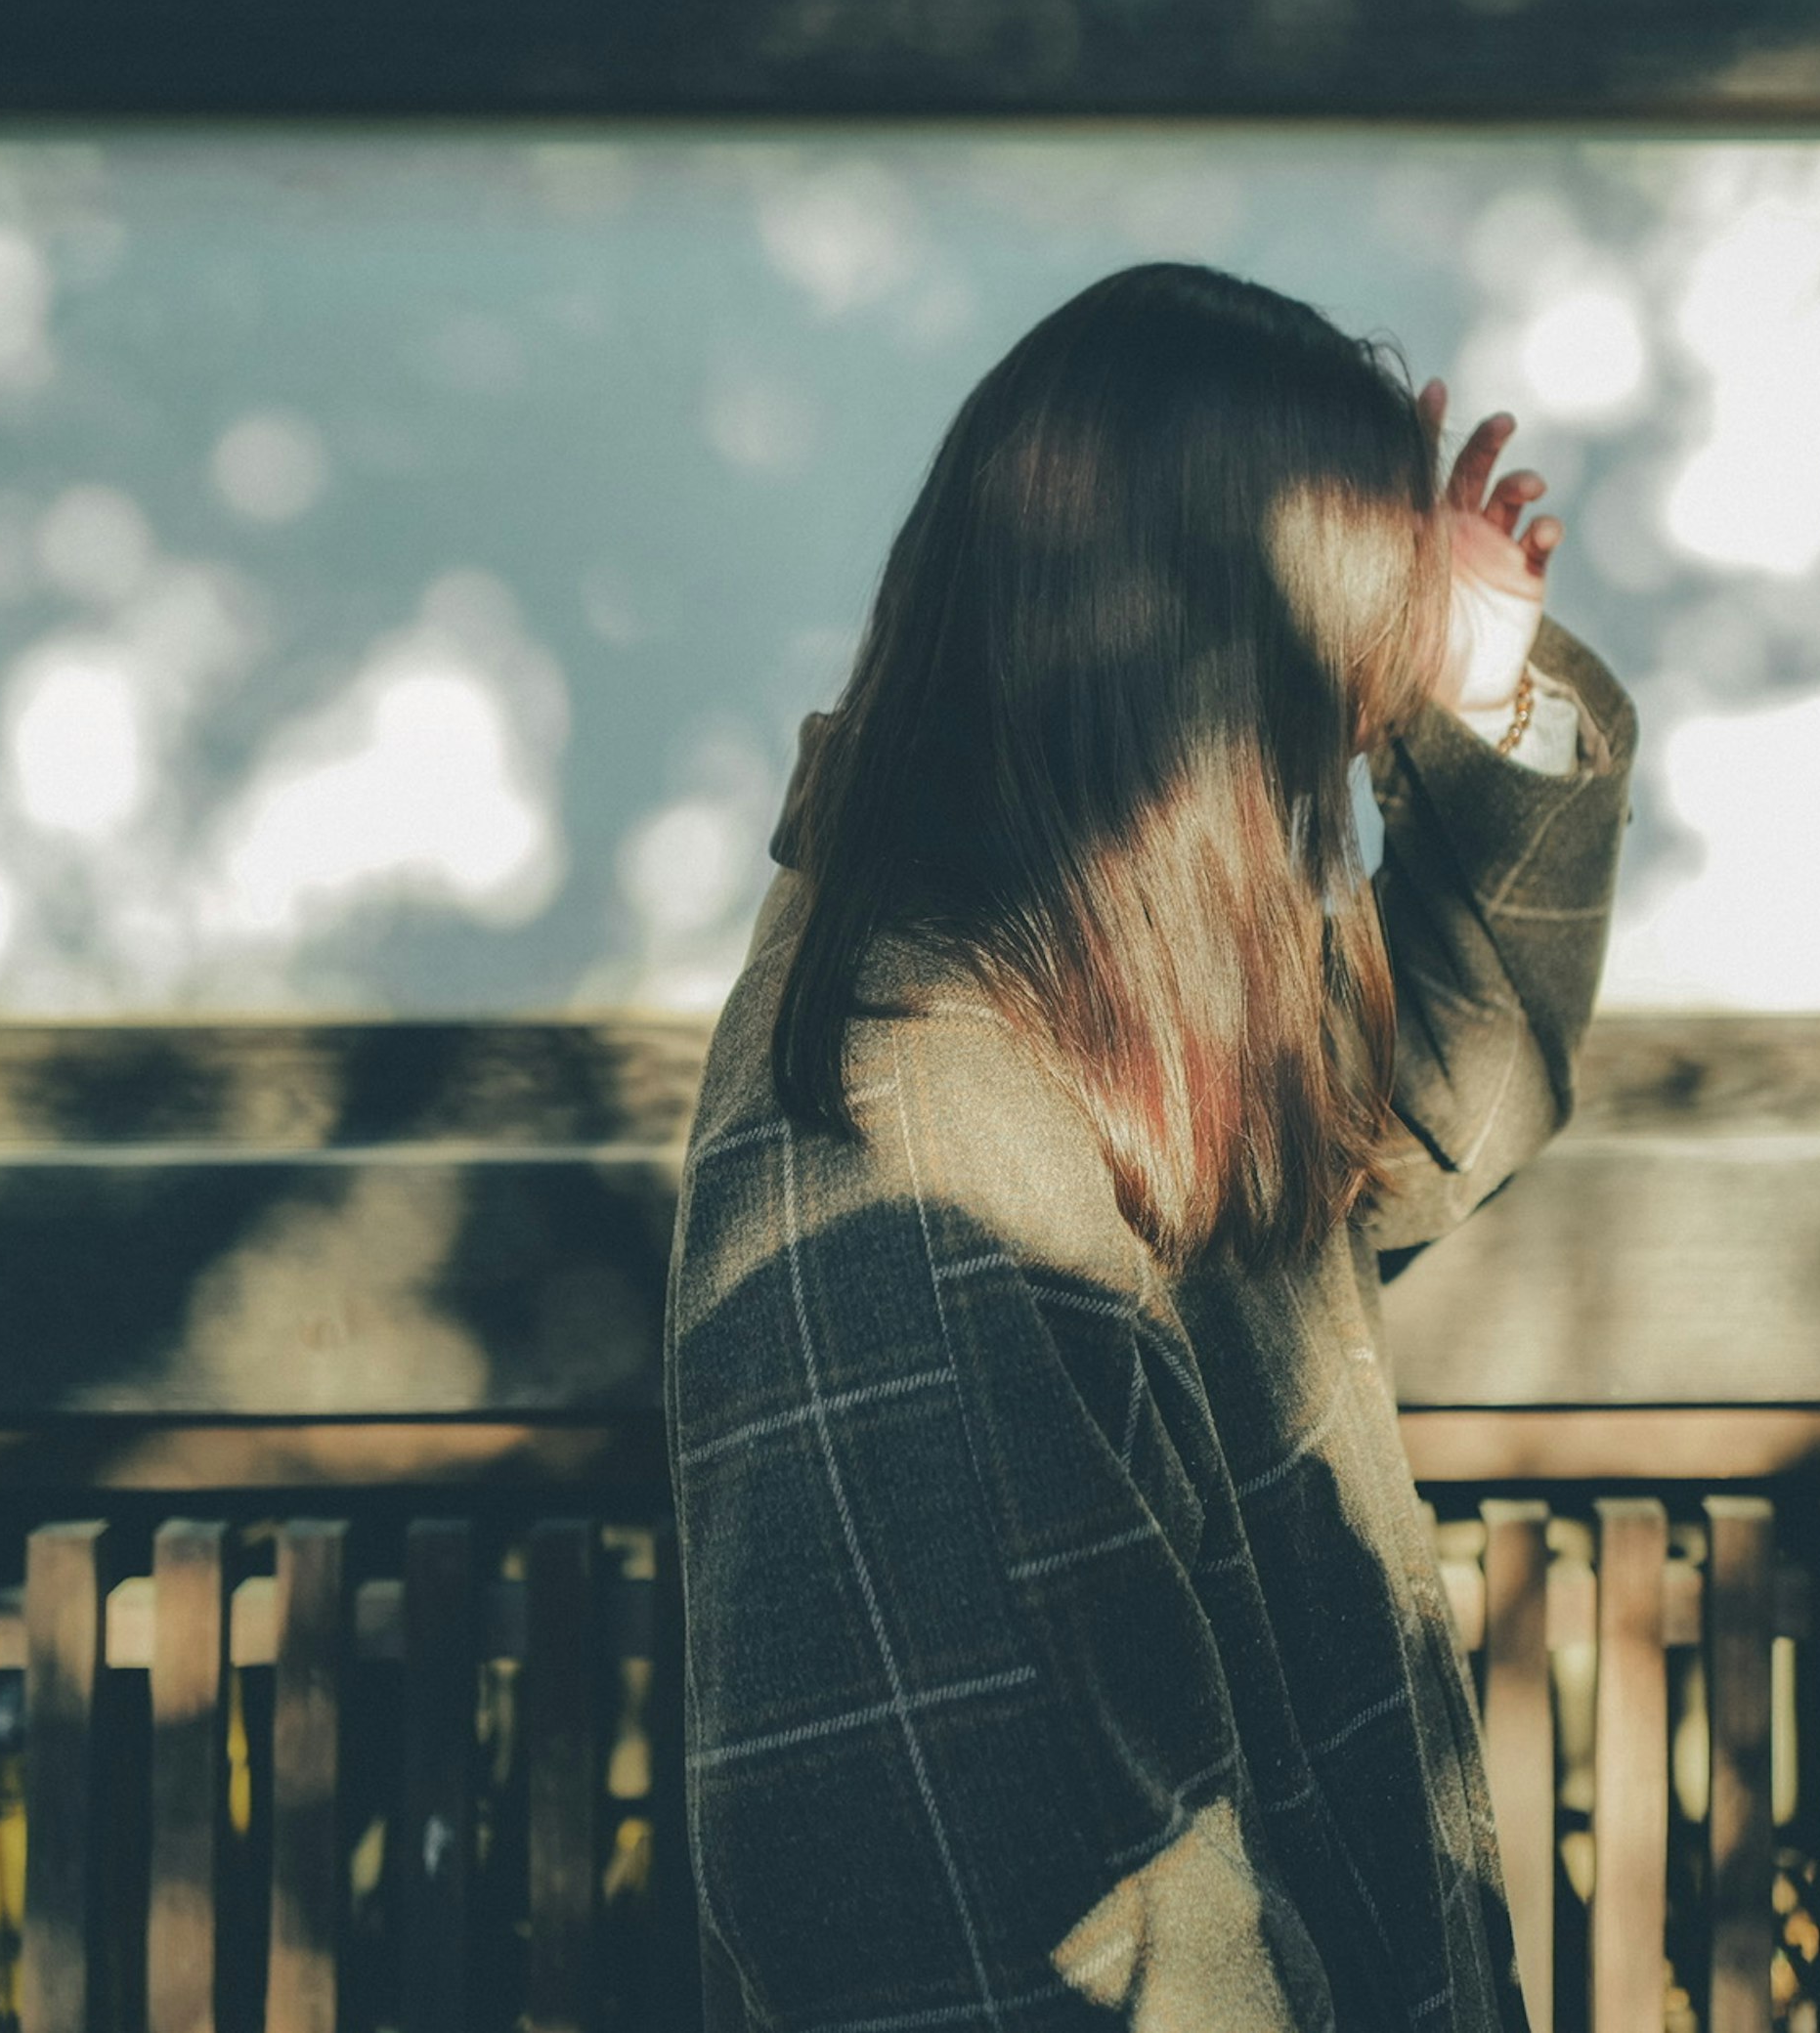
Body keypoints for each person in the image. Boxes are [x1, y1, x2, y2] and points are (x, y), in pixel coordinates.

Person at [668, 261, 1633, 2031]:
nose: (1311, 810)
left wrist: (1477, 686)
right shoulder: (917, 1135)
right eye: (1311, 738)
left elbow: (1425, 1116)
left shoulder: (1092, 968)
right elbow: (990, 1935)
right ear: (1198, 695)